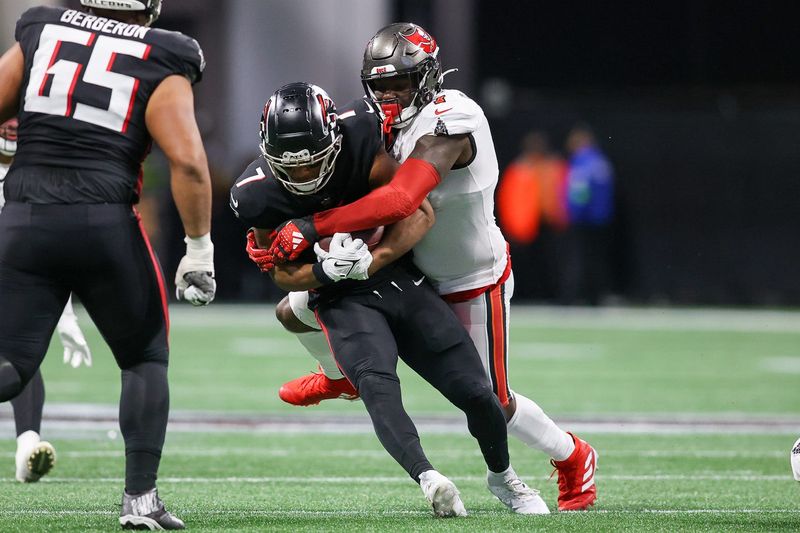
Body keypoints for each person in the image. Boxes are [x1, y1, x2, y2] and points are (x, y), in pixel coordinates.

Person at [267, 23, 597, 512]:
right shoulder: (375, 123)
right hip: (406, 269)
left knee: (492, 402)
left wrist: (311, 226)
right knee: (293, 310)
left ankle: (573, 455)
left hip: (469, 276)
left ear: (426, 76)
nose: (389, 94)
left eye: (399, 82)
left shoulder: (453, 118)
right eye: (379, 85)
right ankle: (340, 374)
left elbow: (402, 198)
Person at [233, 82, 548, 516]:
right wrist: (324, 272)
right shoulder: (254, 193)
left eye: (312, 163)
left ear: (333, 140)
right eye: (292, 167)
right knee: (372, 380)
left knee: (479, 393)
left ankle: (504, 477)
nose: (303, 175)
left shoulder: (360, 139)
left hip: (396, 275)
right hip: (337, 296)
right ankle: (427, 476)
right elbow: (281, 272)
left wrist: (368, 260)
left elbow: (415, 211)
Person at [0, 1, 216, 528]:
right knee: (144, 357)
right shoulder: (166, 53)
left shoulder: (41, 26)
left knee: (12, 367)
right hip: (103, 224)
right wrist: (199, 247)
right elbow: (186, 159)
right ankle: (139, 501)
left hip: (24, 216)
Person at [0, 118, 93, 483]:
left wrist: (65, 315)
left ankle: (27, 444)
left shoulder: (39, 176)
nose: (10, 126)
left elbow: (46, 253)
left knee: (19, 355)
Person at [562, 125, 615, 305]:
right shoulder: (601, 161)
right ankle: (596, 295)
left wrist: (573, 215)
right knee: (597, 258)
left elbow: (579, 193)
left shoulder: (582, 162)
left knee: (579, 259)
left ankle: (574, 296)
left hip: (584, 220)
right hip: (600, 219)